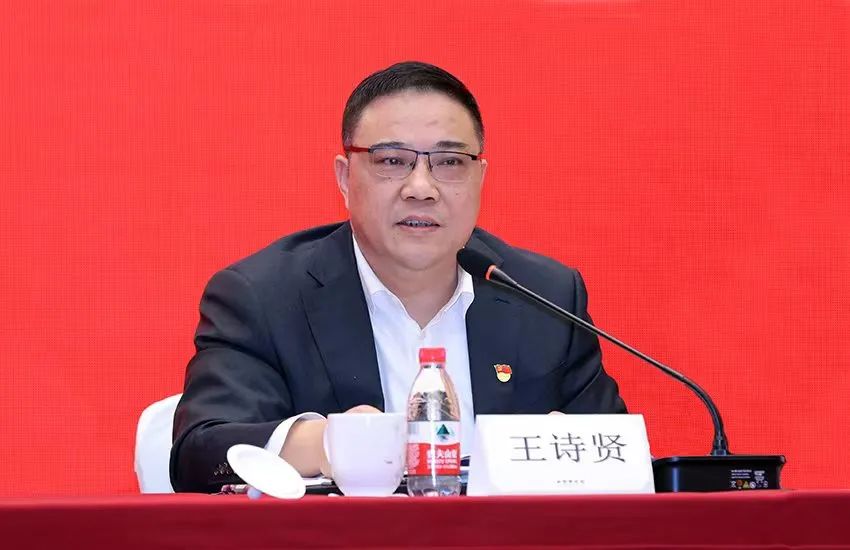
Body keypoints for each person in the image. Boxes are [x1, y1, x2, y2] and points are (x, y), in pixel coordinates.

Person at [170, 61, 626, 493]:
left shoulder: (544, 297)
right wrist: (325, 443)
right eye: (391, 161)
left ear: (480, 177)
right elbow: (199, 453)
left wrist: (571, 453)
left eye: (450, 162)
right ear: (345, 177)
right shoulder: (265, 298)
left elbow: (622, 469)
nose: (421, 188)